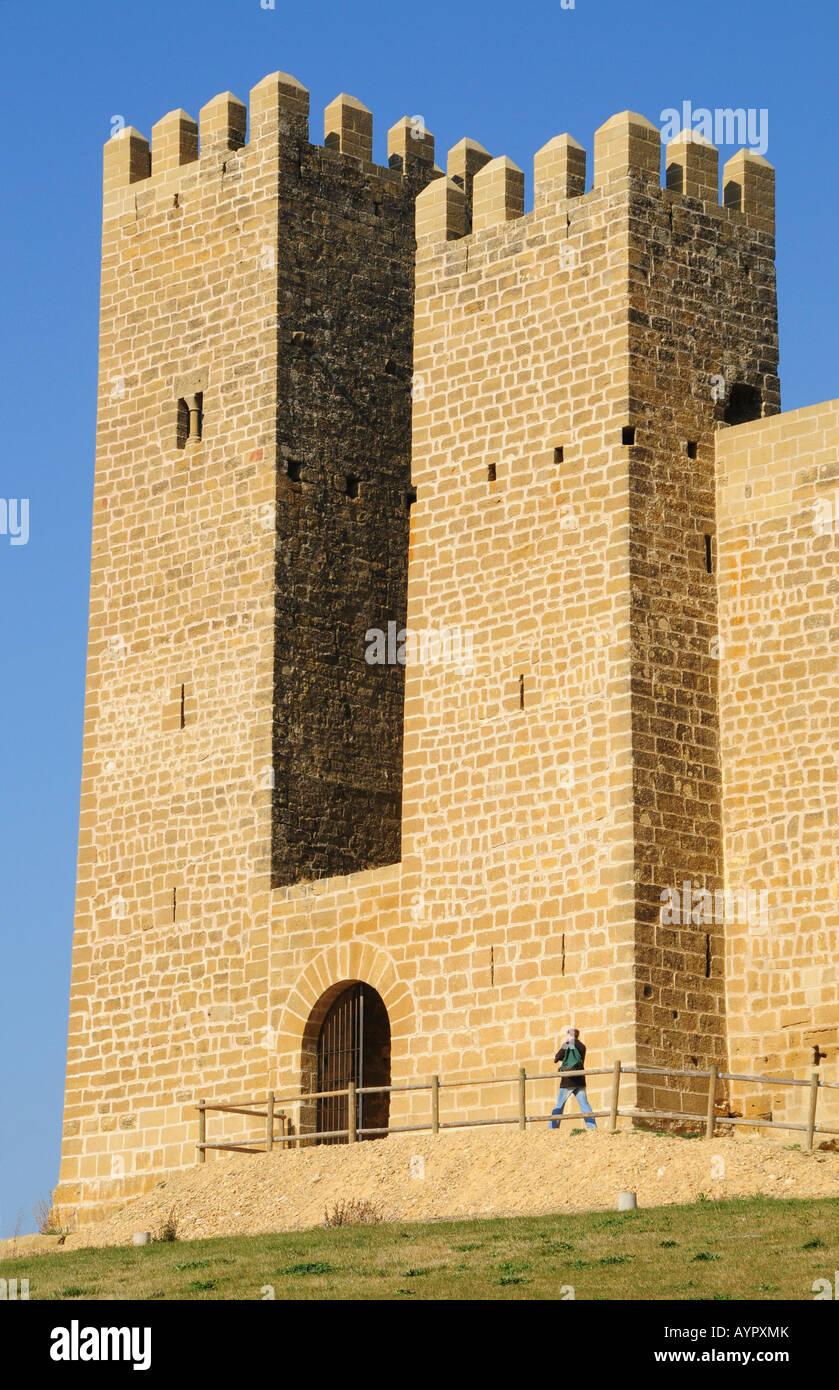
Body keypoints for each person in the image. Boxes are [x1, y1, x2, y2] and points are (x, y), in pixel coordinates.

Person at [549, 1026, 597, 1130]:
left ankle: (551, 1129)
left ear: (570, 1035)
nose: (565, 1037)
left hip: (568, 1081)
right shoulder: (582, 1046)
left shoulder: (567, 1045)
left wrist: (564, 1045)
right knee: (585, 1104)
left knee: (559, 1105)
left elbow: (557, 1058)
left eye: (566, 1035)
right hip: (580, 1079)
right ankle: (593, 1128)